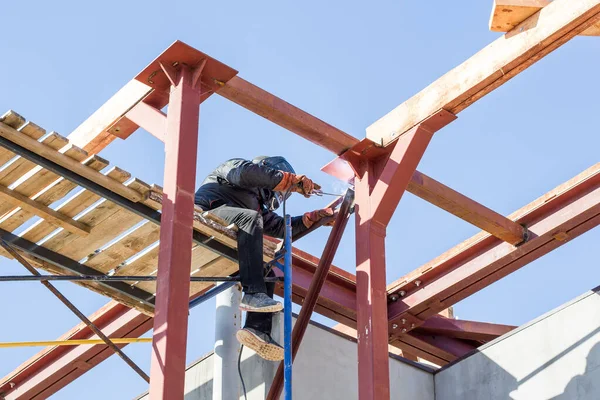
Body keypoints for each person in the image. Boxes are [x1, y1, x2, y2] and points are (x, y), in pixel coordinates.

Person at [194, 156, 334, 361]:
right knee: (250, 219)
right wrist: (289, 180)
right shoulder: (237, 168)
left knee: (268, 266)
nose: (278, 195)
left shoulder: (258, 207)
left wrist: (312, 219)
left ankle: (257, 328)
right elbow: (244, 175)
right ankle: (253, 293)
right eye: (278, 190)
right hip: (205, 214)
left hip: (226, 235)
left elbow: (281, 228)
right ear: (268, 171)